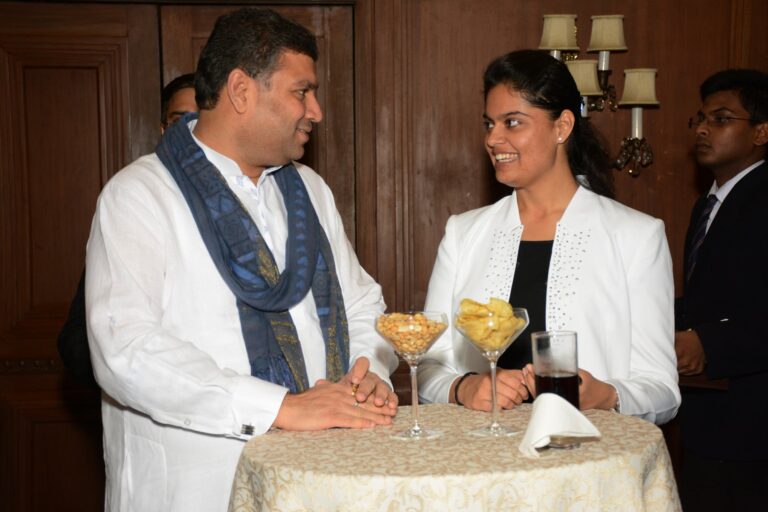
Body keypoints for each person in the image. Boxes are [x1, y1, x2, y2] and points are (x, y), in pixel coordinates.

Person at [85, 8, 398, 511]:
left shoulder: (310, 191)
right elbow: (126, 349)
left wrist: (366, 377)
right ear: (241, 91)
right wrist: (282, 409)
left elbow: (363, 303)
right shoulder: (139, 196)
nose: (315, 110)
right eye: (302, 91)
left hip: (318, 482)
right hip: (194, 487)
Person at [418, 50, 680, 425]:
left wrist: (604, 395)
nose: (493, 138)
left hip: (588, 459)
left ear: (562, 126)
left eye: (512, 122)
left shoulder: (637, 236)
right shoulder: (463, 233)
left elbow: (663, 391)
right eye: (488, 123)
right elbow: (428, 364)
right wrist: (465, 387)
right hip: (481, 457)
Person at [58, 72, 198, 387]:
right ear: (163, 129)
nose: (190, 131)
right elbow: (78, 342)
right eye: (180, 120)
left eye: (200, 120)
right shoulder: (134, 200)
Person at [675, 69, 768, 510]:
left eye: (722, 118)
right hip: (706, 411)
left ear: (761, 132)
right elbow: (705, 300)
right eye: (700, 118)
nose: (703, 128)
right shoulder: (708, 203)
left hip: (754, 424)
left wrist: (707, 342)